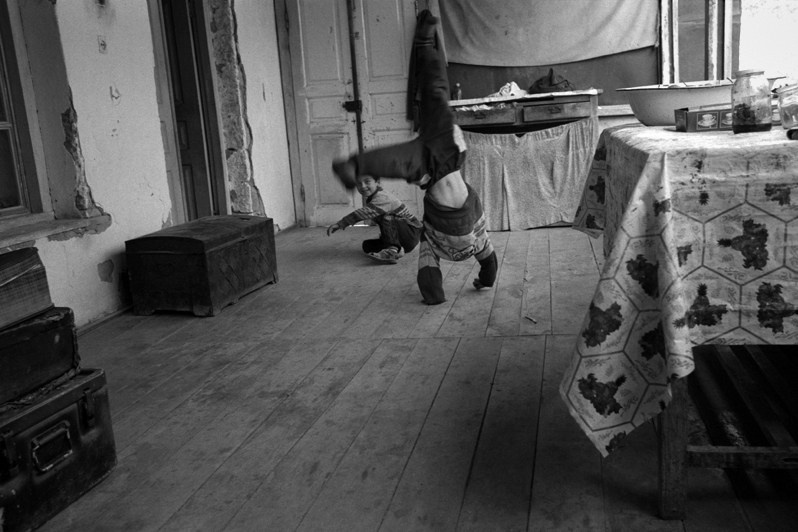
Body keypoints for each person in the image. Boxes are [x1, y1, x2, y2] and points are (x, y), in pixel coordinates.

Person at [331, 9, 497, 305]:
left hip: (448, 158)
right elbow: (439, 275)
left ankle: (424, 42)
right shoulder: (453, 244)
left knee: (435, 92)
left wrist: (485, 280)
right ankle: (354, 165)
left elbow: (489, 264)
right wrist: (481, 281)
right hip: (436, 165)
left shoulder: (476, 241)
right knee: (393, 158)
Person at [327, 174, 422, 264]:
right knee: (367, 246)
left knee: (387, 217)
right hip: (401, 238)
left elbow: (362, 213)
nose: (363, 186)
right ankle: (398, 249)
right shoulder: (373, 197)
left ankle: (392, 252)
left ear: (377, 182)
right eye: (359, 183)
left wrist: (341, 224)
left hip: (410, 234)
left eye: (367, 181)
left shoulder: (383, 197)